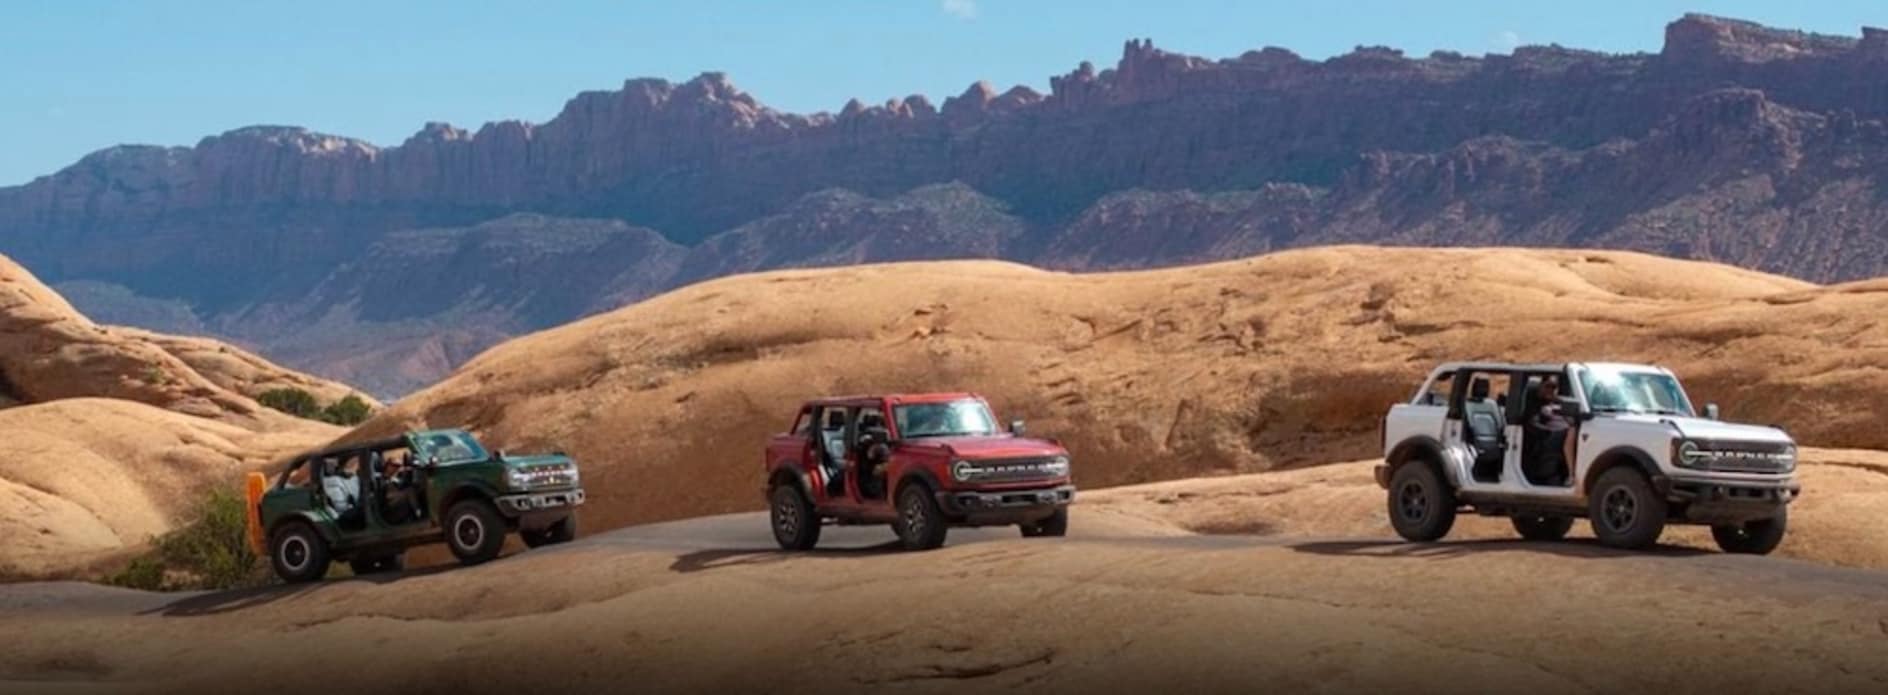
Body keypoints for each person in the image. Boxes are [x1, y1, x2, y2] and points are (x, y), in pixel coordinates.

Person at [1528, 376, 1578, 485]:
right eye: (1548, 386)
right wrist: (1547, 430)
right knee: (1571, 432)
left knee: (1572, 430)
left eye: (1554, 387)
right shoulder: (1532, 402)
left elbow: (1569, 419)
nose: (1550, 390)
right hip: (1541, 436)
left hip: (1556, 432)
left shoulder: (1555, 402)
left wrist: (1557, 401)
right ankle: (1571, 474)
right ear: (1541, 386)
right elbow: (1532, 422)